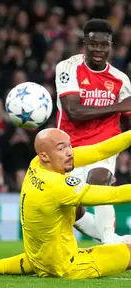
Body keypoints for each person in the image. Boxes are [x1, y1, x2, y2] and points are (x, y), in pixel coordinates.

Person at [0, 128, 131, 279]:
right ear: (46, 155)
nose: (70, 152)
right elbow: (112, 195)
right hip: (68, 267)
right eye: (62, 148)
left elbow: (99, 150)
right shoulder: (57, 186)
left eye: (69, 146)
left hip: (39, 260)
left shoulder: (36, 164)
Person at [55, 18, 131, 244]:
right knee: (70, 208)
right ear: (84, 44)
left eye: (103, 45)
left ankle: (109, 241)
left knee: (99, 180)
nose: (98, 50)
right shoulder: (67, 68)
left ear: (110, 46)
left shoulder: (121, 79)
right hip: (70, 148)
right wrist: (118, 106)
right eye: (93, 45)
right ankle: (115, 241)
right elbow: (73, 112)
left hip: (103, 145)